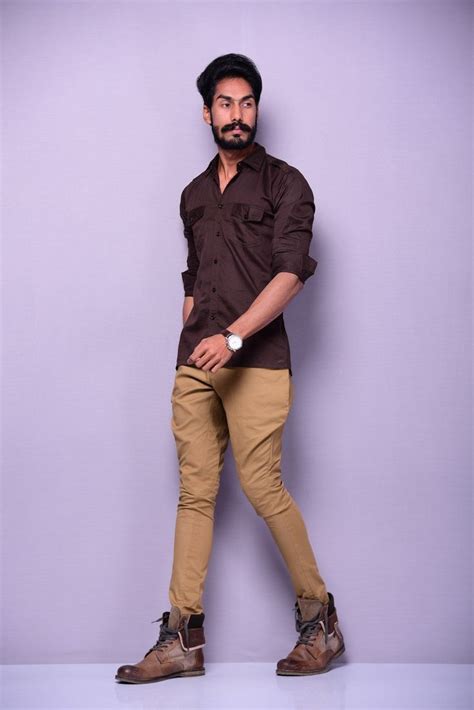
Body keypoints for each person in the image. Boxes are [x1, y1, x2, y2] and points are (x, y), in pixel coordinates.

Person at [115, 53, 345, 684]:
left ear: (256, 110)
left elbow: (291, 275)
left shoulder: (285, 184)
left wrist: (234, 338)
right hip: (197, 363)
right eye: (225, 103)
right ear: (207, 113)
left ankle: (320, 621)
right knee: (195, 494)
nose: (237, 114)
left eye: (246, 103)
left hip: (257, 360)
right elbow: (194, 278)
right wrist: (193, 337)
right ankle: (181, 639)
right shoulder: (192, 194)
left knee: (262, 486)